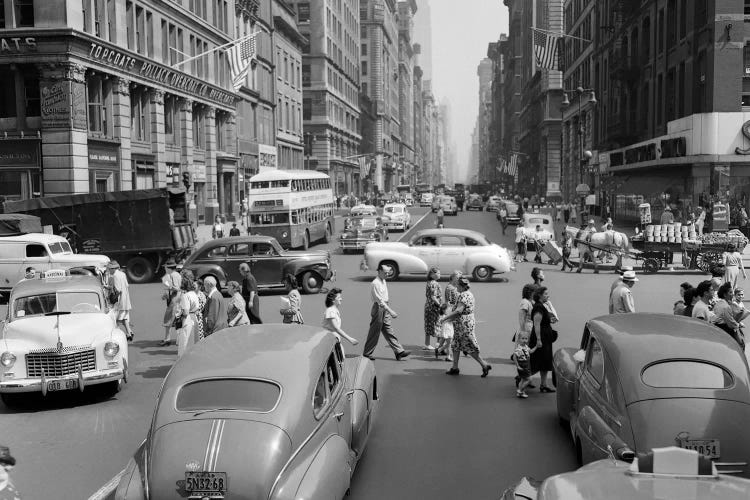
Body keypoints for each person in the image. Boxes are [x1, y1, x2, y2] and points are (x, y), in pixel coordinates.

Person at [440, 277, 492, 377]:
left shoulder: (463, 295)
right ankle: (455, 368)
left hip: (463, 324)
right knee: (456, 345)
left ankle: (484, 364)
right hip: (465, 322)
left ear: (461, 286)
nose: (456, 288)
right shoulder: (469, 294)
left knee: (468, 346)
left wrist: (445, 318)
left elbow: (459, 310)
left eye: (458, 286)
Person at [363, 263, 410, 360]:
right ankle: (367, 353)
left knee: (388, 330)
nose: (387, 275)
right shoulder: (375, 283)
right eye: (385, 273)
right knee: (375, 331)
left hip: (385, 307)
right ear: (379, 271)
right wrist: (390, 311)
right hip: (379, 308)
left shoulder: (383, 280)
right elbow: (380, 301)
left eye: (388, 273)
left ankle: (399, 351)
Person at [530, 286, 556, 392]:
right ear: (540, 295)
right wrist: (539, 339)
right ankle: (523, 377)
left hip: (546, 338)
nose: (548, 295)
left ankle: (543, 385)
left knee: (545, 362)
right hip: (541, 338)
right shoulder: (538, 307)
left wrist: (550, 319)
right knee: (536, 361)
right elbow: (537, 324)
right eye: (545, 294)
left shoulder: (542, 306)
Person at [174, 270, 201, 357]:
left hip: (187, 321)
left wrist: (178, 315)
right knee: (193, 344)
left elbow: (185, 312)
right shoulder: (194, 293)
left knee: (185, 345)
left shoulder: (185, 296)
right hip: (194, 319)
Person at [106, 261, 134, 341]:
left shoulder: (115, 276)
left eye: (109, 269)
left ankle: (118, 337)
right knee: (124, 317)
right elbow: (126, 285)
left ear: (112, 269)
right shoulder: (122, 274)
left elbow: (118, 290)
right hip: (126, 299)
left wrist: (109, 289)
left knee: (116, 320)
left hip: (120, 301)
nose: (109, 270)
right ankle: (129, 333)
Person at [714, 282, 744, 348]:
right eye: (730, 292)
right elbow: (731, 323)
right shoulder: (726, 306)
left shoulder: (718, 304)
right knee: (740, 345)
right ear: (725, 295)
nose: (732, 294)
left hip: (718, 330)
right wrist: (738, 325)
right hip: (726, 331)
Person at [160, 259, 182, 346]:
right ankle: (169, 339)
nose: (165, 268)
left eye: (165, 267)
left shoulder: (172, 275)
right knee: (174, 320)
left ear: (169, 268)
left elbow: (176, 288)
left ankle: (168, 339)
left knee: (169, 319)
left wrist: (169, 286)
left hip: (174, 299)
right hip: (176, 299)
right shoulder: (176, 275)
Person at [513, 331, 538, 399]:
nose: (524, 340)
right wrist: (518, 366)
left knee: (523, 379)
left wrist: (536, 347)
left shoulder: (526, 346)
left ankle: (521, 392)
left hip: (527, 364)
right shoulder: (518, 348)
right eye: (522, 338)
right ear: (519, 339)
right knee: (529, 379)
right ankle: (520, 390)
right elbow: (514, 357)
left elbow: (531, 351)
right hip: (522, 365)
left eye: (526, 339)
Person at [423, 267, 442, 350]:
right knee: (438, 325)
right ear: (432, 274)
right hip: (433, 307)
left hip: (428, 306)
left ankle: (427, 344)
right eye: (438, 273)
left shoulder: (430, 282)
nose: (439, 274)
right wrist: (440, 305)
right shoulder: (434, 283)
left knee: (429, 325)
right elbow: (433, 297)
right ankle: (438, 344)